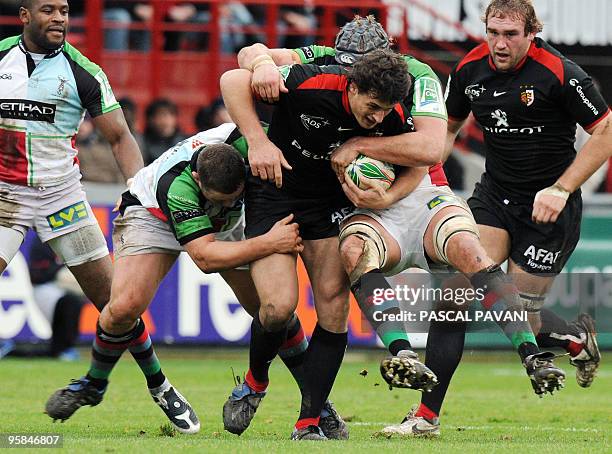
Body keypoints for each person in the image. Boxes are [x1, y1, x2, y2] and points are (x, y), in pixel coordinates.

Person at [236, 14, 566, 437]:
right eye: (348, 67)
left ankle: (530, 353)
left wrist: (359, 146)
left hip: (419, 191)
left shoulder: (419, 75)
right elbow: (246, 60)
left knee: (468, 252)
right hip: (364, 204)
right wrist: (260, 61)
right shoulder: (327, 63)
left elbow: (430, 148)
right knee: (352, 254)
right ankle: (400, 356)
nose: (351, 76)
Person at [381, 0, 610, 437]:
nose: (500, 43)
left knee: (520, 317)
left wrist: (561, 189)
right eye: (493, 32)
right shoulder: (469, 70)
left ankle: (575, 341)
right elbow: (445, 128)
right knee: (453, 299)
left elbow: (607, 130)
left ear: (531, 33)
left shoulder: (561, 73)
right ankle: (426, 417)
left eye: (510, 35)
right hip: (495, 197)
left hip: (550, 209)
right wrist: (426, 181)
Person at [219, 48, 439, 440]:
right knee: (276, 308)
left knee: (333, 308)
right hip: (277, 192)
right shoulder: (311, 81)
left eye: (385, 111)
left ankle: (308, 422)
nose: (376, 118)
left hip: (329, 205)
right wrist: (258, 141)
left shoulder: (393, 113)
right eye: (371, 107)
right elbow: (232, 79)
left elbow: (420, 161)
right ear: (352, 85)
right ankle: (255, 382)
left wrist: (385, 195)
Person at [45, 123, 304, 433]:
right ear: (198, 180)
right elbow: (205, 258)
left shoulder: (251, 145)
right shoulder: (177, 186)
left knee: (273, 310)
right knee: (122, 309)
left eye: (230, 196)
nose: (222, 204)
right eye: (218, 198)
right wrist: (269, 242)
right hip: (154, 215)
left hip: (235, 220)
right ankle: (96, 383)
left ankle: (316, 403)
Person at [0, 0, 142, 343]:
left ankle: (160, 385)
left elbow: (121, 137)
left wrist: (139, 194)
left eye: (64, 11)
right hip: (7, 195)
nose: (59, 18)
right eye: (48, 10)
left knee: (114, 304)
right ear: (25, 16)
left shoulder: (83, 72)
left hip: (60, 196)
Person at [141, 98, 187, 165]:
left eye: (170, 114)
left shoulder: (185, 141)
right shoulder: (142, 142)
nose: (165, 119)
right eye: (161, 115)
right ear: (150, 119)